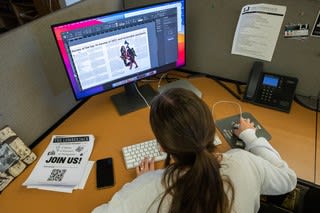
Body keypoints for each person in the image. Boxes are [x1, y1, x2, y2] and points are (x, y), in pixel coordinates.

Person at [92, 88, 297, 213]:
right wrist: (250, 136)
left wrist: (143, 183)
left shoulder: (148, 189)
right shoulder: (244, 162)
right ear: (211, 128)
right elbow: (288, 180)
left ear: (162, 147)